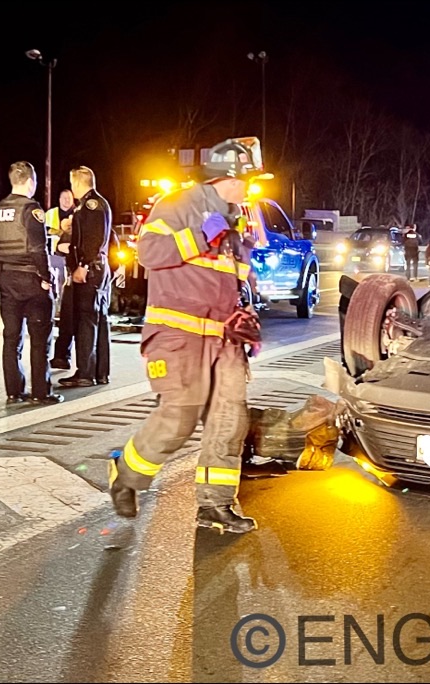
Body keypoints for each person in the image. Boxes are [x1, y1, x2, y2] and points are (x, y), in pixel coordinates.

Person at [108, 137, 264, 535]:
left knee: (230, 419)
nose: (250, 186)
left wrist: (245, 311)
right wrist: (199, 235)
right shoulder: (179, 204)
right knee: (180, 416)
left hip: (224, 341)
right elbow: (149, 253)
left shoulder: (238, 218)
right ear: (227, 176)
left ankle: (215, 505)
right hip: (178, 333)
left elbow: (236, 278)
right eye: (247, 178)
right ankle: (126, 474)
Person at [0, 162, 63, 405]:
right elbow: (39, 249)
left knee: (11, 337)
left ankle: (14, 392)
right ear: (30, 181)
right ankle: (41, 392)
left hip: (7, 281)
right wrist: (47, 278)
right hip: (32, 281)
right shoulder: (32, 210)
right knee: (40, 340)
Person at [59, 167, 112, 388]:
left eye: (73, 183)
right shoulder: (94, 204)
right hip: (97, 268)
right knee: (97, 320)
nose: (71, 188)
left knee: (86, 321)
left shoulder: (91, 205)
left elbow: (93, 239)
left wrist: (82, 265)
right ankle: (99, 372)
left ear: (79, 183)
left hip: (90, 270)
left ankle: (85, 374)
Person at [46, 189, 77, 370]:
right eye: (63, 197)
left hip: (78, 273)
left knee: (72, 319)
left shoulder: (80, 215)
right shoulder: (52, 214)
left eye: (69, 198)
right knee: (68, 318)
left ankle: (85, 367)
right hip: (60, 265)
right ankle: (62, 358)